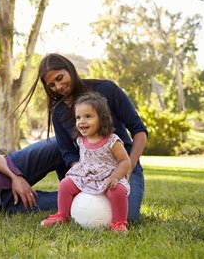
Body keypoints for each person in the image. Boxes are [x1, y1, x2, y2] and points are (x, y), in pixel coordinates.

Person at [20, 53, 147, 223]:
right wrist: (84, 175)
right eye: (52, 85)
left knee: (129, 217)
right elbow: (67, 152)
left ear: (70, 69)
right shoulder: (58, 111)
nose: (58, 86)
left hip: (122, 166)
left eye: (60, 78)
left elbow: (139, 130)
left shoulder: (107, 89)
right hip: (88, 171)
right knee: (81, 209)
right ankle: (62, 210)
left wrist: (128, 168)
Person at [40, 92, 131, 231]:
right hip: (86, 175)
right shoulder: (81, 140)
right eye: (78, 117)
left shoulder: (112, 140)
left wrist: (116, 177)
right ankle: (62, 215)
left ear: (102, 119)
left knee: (117, 191)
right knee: (65, 184)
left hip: (108, 176)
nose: (81, 121)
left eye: (88, 116)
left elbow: (125, 161)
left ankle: (119, 223)